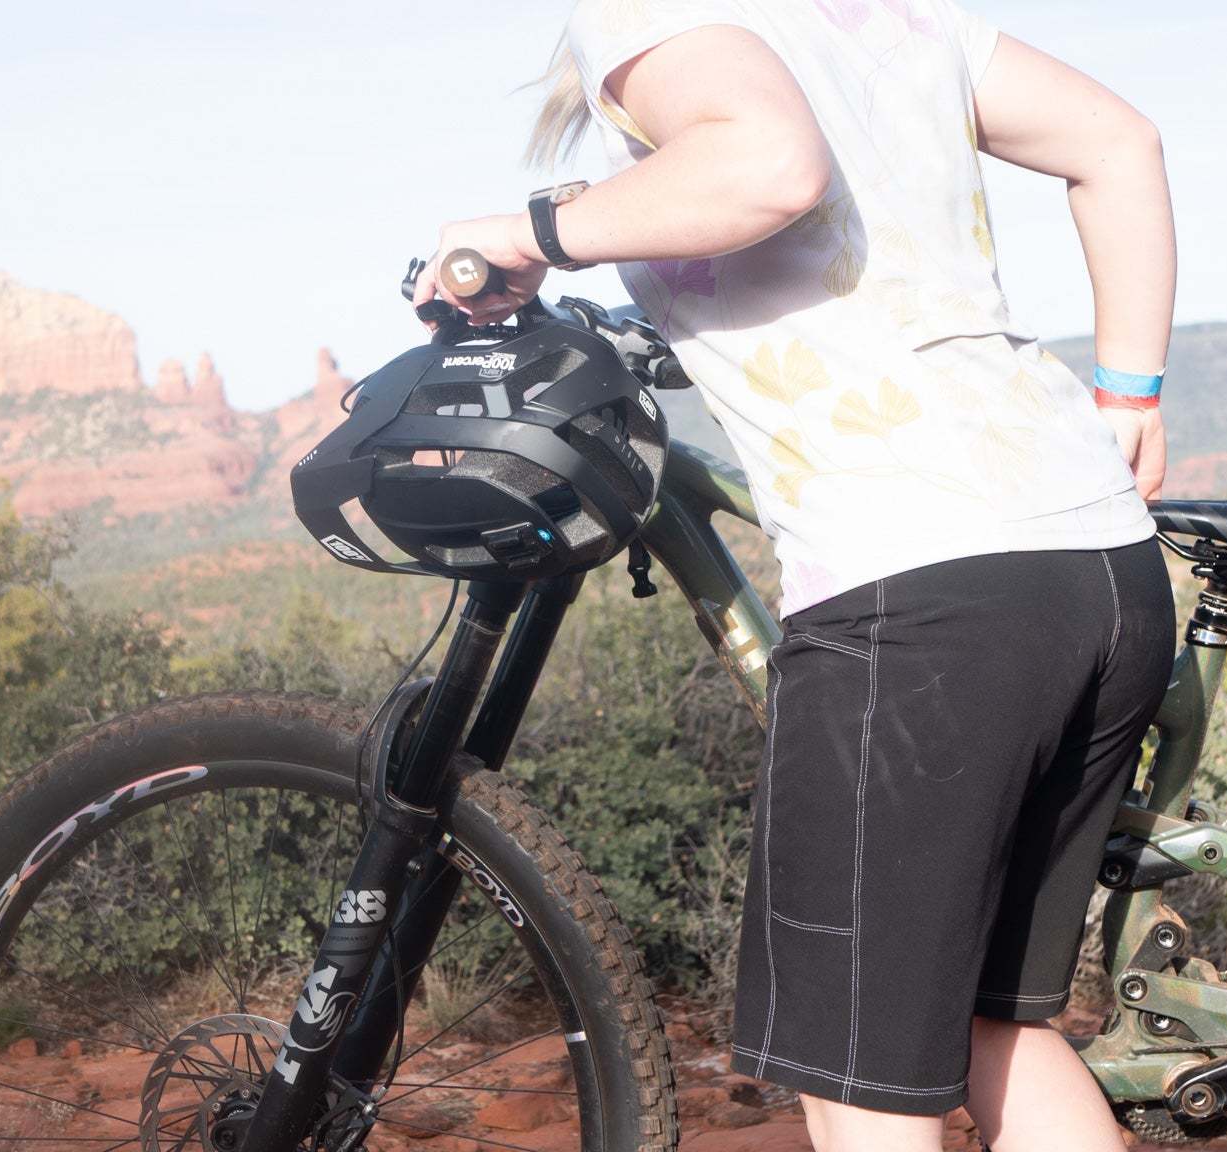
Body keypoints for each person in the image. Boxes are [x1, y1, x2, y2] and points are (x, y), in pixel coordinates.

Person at [411, 2, 1178, 1149]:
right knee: (992, 1029)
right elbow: (1118, 141)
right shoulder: (890, 18)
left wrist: (529, 231)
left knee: (859, 1084)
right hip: (1094, 562)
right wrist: (1129, 392)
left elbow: (767, 165)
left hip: (923, 594)